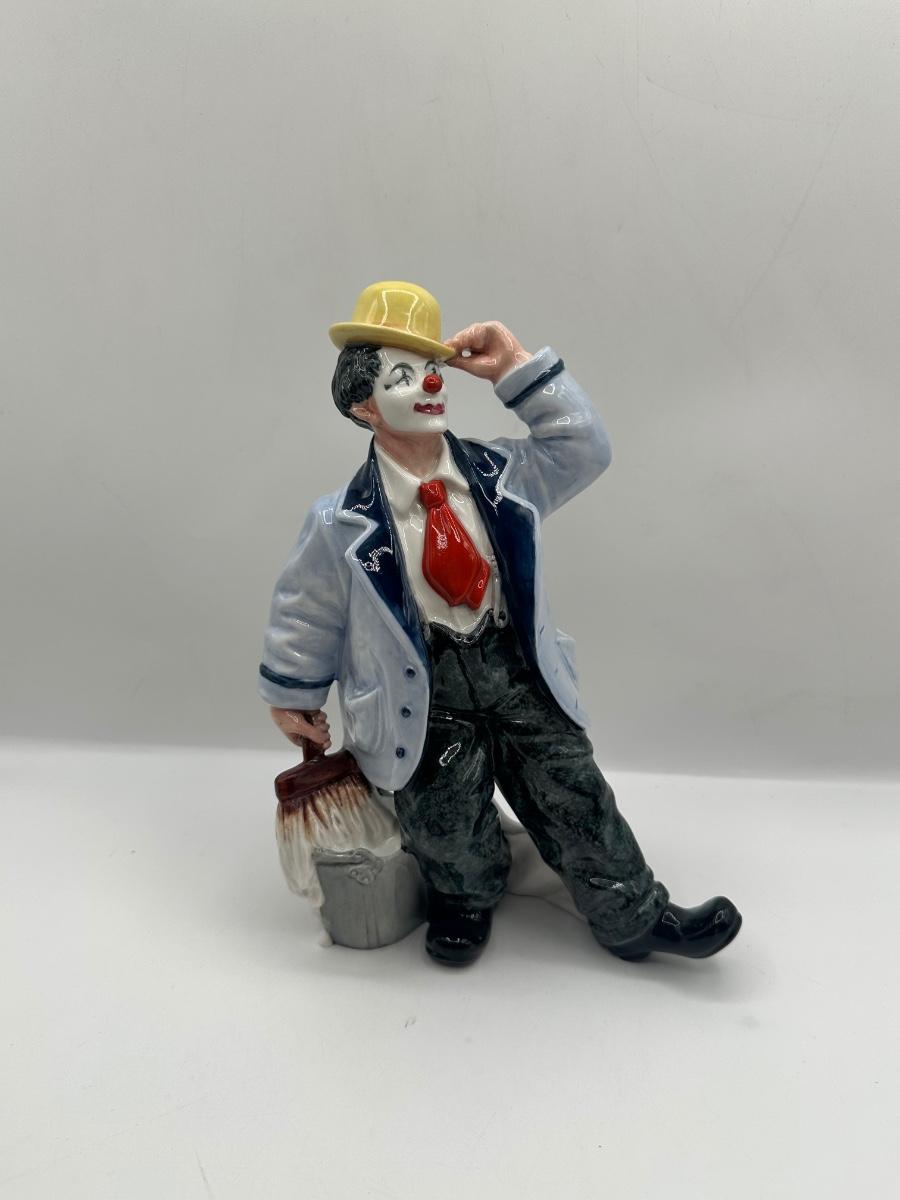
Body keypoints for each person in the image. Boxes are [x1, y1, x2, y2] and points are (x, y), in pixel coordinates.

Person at [260, 281, 742, 966]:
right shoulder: (338, 521)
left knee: (572, 787)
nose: (432, 383)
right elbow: (306, 610)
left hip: (512, 667)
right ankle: (463, 899)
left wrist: (518, 371)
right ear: (363, 405)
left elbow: (583, 449)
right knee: (442, 810)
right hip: (424, 688)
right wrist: (294, 693)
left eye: (432, 368)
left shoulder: (504, 475)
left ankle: (631, 913)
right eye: (403, 376)